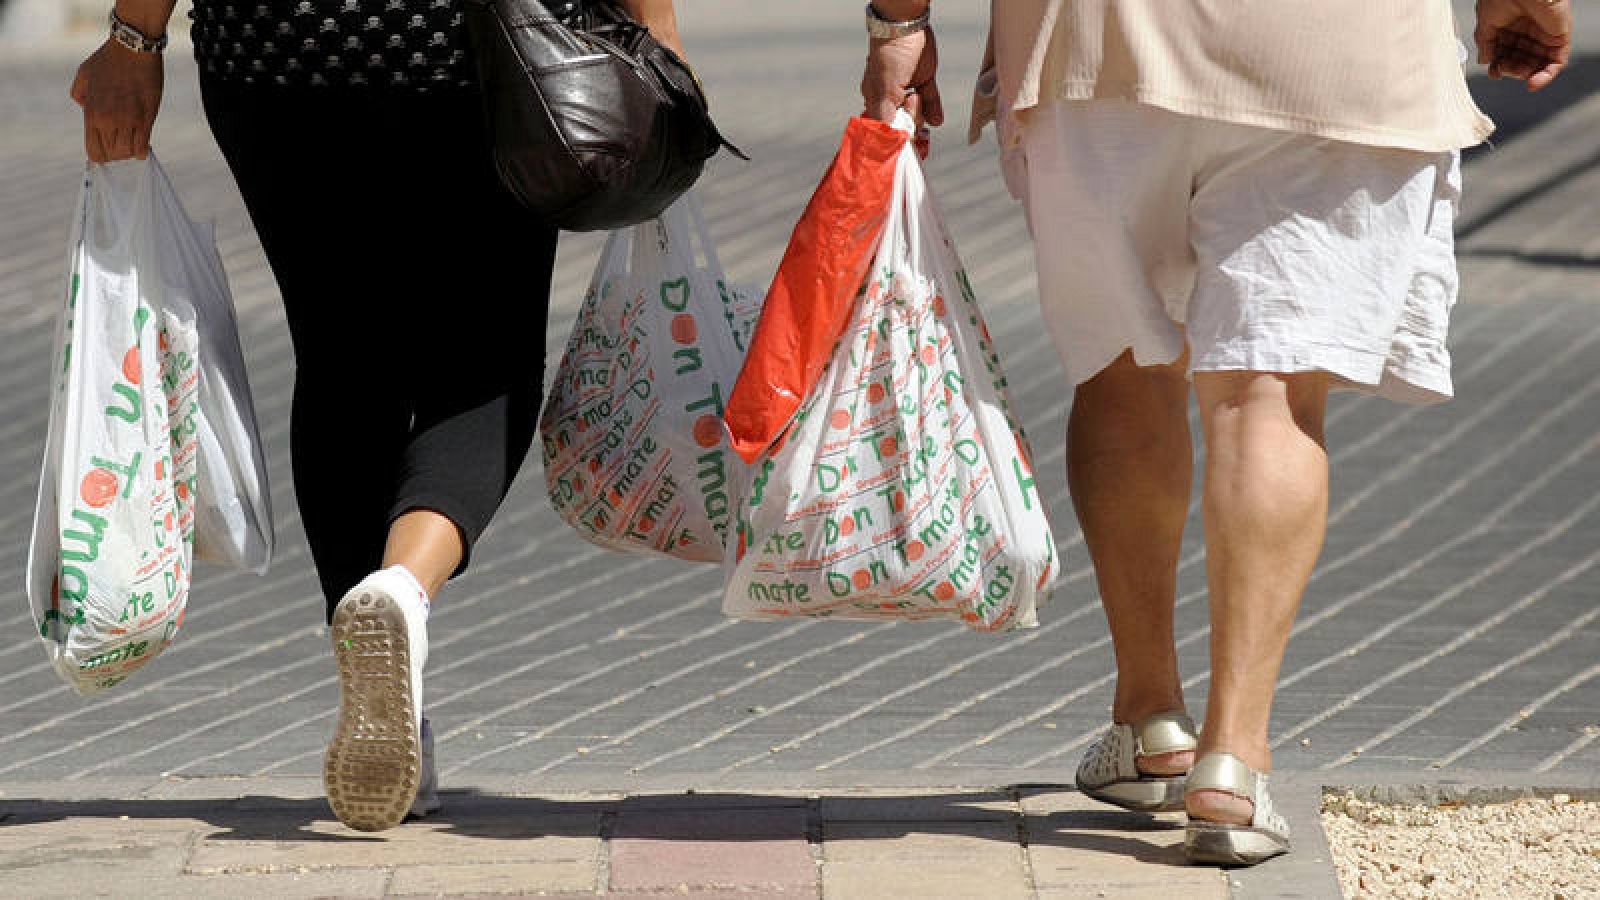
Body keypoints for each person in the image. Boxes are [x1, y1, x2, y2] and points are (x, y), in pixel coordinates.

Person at [860, 0, 1572, 866]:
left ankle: (1152, 716)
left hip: (1101, 47)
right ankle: (1233, 761)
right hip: (1341, 52)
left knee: (1124, 371)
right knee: (1266, 393)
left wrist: (898, 22)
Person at [72, 0, 687, 833]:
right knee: (481, 359)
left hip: (277, 53)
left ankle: (394, 705)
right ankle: (401, 591)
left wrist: (133, 37)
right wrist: (656, 37)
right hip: (471, 44)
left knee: (342, 356)